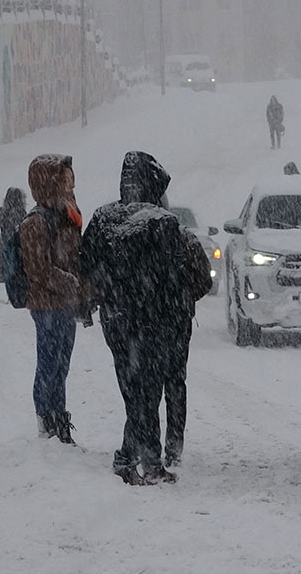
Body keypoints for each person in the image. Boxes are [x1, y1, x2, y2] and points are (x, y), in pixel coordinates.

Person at [80, 151, 211, 486]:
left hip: (116, 318)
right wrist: (175, 307)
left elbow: (88, 267)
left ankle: (136, 458)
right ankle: (139, 461)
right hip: (152, 320)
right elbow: (174, 276)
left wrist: (97, 300)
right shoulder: (161, 223)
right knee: (148, 391)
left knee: (132, 389)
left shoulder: (103, 218)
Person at [20, 154, 87, 445]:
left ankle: (60, 420)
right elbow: (39, 270)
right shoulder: (36, 222)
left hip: (65, 304)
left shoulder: (68, 215)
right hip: (47, 304)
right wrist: (71, 283)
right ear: (49, 184)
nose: (71, 185)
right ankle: (46, 422)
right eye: (65, 180)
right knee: (48, 364)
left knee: (62, 365)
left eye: (72, 179)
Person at [0, 187, 27, 283]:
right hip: (16, 248)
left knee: (6, 276)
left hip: (9, 246)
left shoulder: (2, 212)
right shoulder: (22, 213)